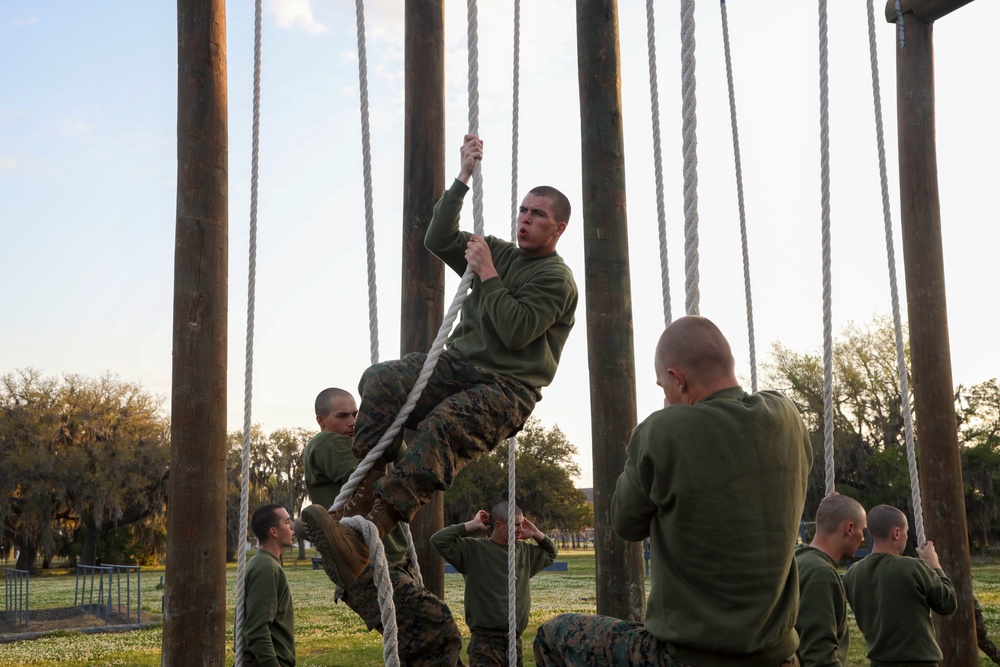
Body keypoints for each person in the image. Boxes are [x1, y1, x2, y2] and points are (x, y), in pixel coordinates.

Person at [302, 133, 578, 593]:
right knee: (382, 379)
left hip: (506, 389)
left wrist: (487, 273)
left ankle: (374, 530)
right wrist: (463, 178)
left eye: (538, 215)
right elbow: (437, 237)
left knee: (444, 426)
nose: (526, 220)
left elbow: (515, 330)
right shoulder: (500, 251)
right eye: (523, 211)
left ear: (558, 228)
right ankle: (362, 495)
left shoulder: (555, 278)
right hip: (457, 367)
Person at [533, 315, 812, 666]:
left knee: (553, 635)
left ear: (677, 379)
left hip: (688, 657)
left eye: (662, 386)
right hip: (779, 656)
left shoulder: (661, 431)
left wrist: (652, 433)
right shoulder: (787, 417)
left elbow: (625, 524)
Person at [303, 388, 463, 666]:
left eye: (356, 414)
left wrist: (390, 434)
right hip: (366, 565)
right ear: (322, 421)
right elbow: (369, 478)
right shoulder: (325, 443)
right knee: (438, 627)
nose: (352, 422)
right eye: (342, 416)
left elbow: (409, 466)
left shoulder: (362, 444)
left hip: (392, 563)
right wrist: (380, 439)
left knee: (420, 648)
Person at [431, 502, 558, 666]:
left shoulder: (525, 552)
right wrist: (473, 524)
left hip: (514, 640)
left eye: (522, 524)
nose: (520, 528)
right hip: (485, 642)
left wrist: (535, 532)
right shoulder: (474, 550)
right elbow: (438, 540)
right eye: (515, 524)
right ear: (498, 525)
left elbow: (551, 552)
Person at [843, 504, 957, 666]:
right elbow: (948, 603)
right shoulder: (912, 567)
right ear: (896, 533)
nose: (906, 537)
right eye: (906, 532)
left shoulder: (852, 574)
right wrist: (935, 565)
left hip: (878, 662)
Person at [795, 493, 867, 667]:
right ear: (849, 529)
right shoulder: (821, 575)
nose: (863, 538)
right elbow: (819, 657)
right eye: (862, 530)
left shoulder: (799, 560)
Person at [243, 504, 296, 667]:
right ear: (273, 531)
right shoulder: (266, 568)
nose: (293, 525)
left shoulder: (263, 563)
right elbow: (257, 629)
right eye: (287, 522)